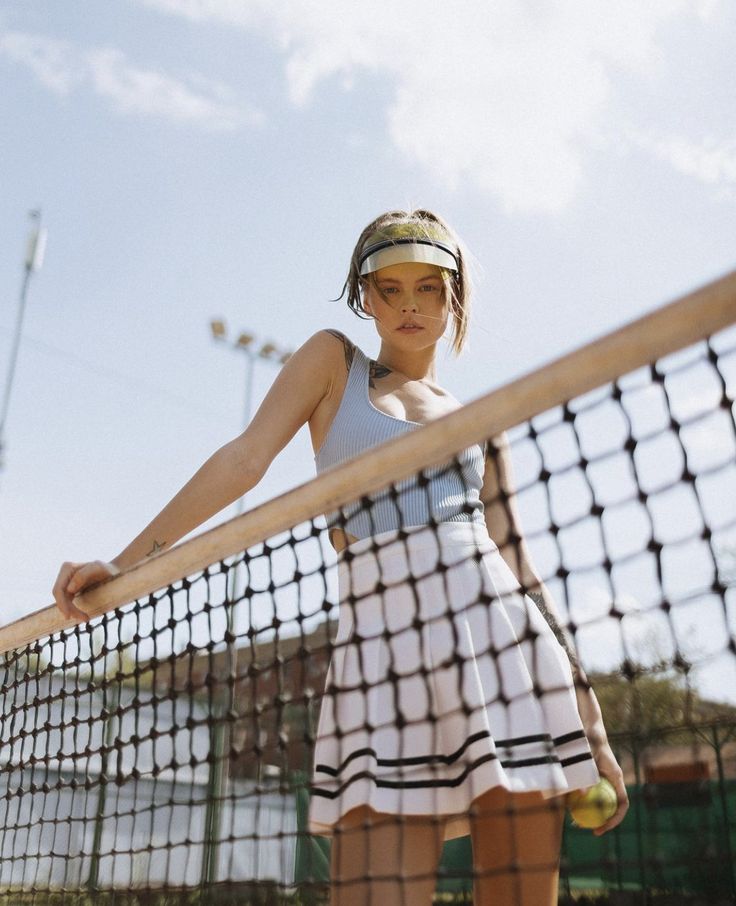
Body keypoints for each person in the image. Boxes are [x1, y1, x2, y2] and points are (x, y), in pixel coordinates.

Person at [53, 208, 628, 906]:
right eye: (389, 288)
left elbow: (524, 573)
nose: (409, 304)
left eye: (428, 286)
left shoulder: (483, 424)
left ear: (455, 298)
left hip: (508, 662)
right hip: (382, 663)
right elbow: (243, 460)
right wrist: (128, 563)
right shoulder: (333, 363)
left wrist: (590, 719)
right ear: (363, 296)